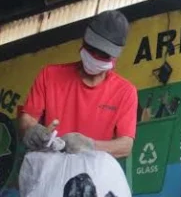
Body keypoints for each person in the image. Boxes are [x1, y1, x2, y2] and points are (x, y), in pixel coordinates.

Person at [18, 10, 137, 158]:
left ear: (115, 57)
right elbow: (28, 118)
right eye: (91, 48)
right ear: (83, 42)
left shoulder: (125, 92)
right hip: (50, 169)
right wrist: (31, 129)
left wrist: (91, 146)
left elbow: (125, 145)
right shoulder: (50, 76)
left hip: (93, 175)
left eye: (102, 54)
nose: (94, 56)